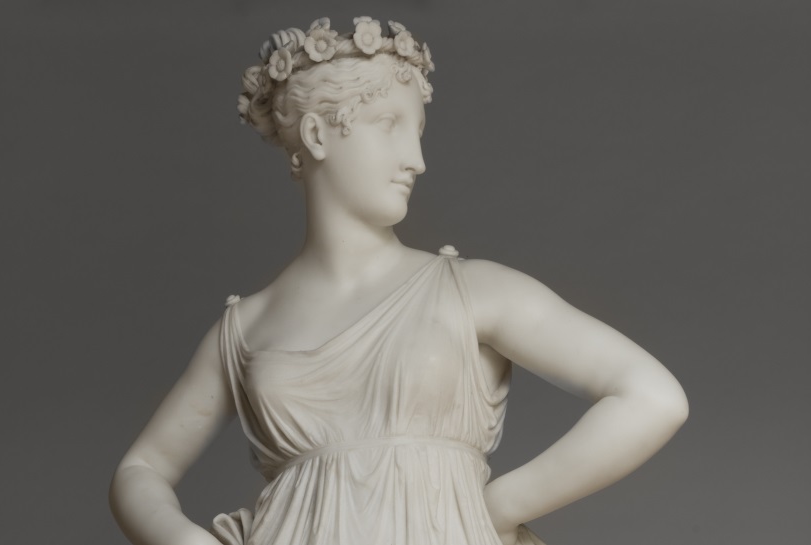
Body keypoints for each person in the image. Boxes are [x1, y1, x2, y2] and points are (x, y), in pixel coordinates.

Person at [109, 16, 688, 545]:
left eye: (419, 131)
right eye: (389, 125)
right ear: (317, 135)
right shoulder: (246, 328)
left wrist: (498, 506)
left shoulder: (473, 291)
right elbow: (141, 470)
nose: (417, 159)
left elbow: (652, 397)